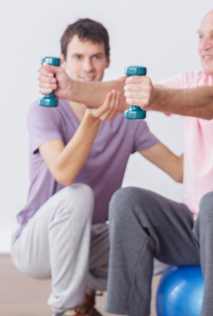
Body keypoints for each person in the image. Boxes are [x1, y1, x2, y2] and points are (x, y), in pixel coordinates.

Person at [37, 6, 213, 316]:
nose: (204, 44)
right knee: (128, 201)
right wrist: (71, 89)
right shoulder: (191, 79)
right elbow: (124, 94)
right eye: (201, 37)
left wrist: (155, 97)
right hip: (201, 226)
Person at [14, 18, 183, 316]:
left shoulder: (127, 120)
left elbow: (179, 170)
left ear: (108, 60)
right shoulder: (44, 110)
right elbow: (64, 174)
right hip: (37, 246)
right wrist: (92, 121)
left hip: (90, 241)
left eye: (96, 57)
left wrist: (208, 120)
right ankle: (66, 308)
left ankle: (90, 290)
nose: (88, 67)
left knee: (162, 234)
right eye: (78, 57)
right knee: (78, 195)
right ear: (64, 62)